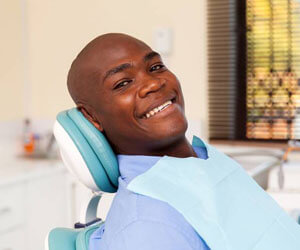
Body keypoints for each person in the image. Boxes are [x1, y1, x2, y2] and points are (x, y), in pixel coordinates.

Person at [67, 33, 209, 250]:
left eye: (155, 67)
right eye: (123, 83)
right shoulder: (149, 229)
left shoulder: (204, 163)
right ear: (92, 117)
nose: (153, 84)